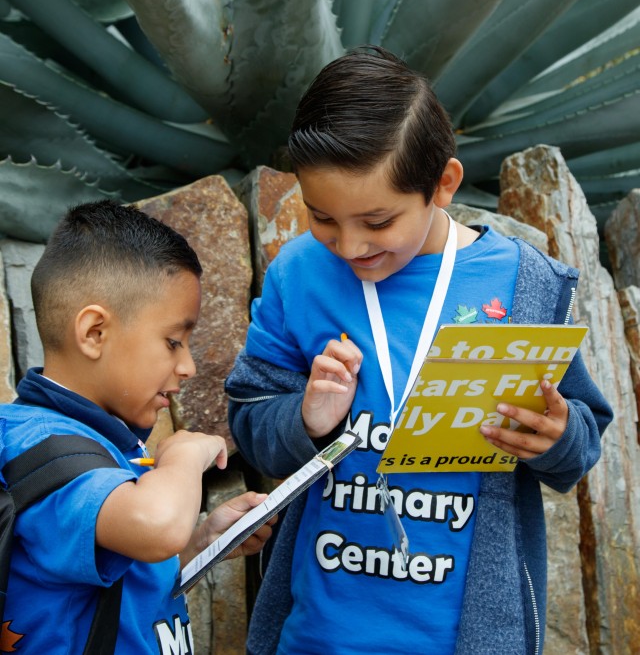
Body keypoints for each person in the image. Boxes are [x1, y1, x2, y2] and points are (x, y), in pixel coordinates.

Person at [225, 46, 612, 655]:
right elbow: (250, 419)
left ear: (444, 184)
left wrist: (558, 437)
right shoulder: (299, 272)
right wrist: (303, 416)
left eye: (378, 222)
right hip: (319, 633)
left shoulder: (525, 285)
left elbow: (581, 442)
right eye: (322, 217)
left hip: (467, 637)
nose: (350, 246)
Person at [0, 200, 273, 654]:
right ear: (94, 333)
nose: (186, 366)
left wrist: (202, 541)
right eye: (172, 341)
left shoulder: (100, 441)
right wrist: (184, 454)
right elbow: (154, 525)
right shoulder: (43, 451)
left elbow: (108, 580)